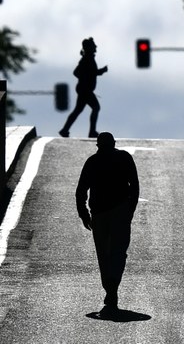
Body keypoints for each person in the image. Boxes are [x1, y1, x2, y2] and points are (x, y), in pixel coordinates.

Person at [75, 132, 139, 317]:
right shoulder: (124, 157)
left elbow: (80, 191)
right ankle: (113, 288)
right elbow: (134, 185)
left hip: (99, 214)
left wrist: (84, 214)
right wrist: (130, 210)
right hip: (120, 211)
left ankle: (110, 290)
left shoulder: (92, 161)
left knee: (103, 254)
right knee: (119, 251)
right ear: (114, 143)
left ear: (98, 145)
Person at [59, 37, 108, 138]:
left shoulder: (89, 58)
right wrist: (97, 72)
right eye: (93, 45)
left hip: (85, 90)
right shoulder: (86, 59)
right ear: (89, 47)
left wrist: (99, 72)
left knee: (78, 110)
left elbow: (91, 72)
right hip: (85, 90)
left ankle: (65, 130)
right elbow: (76, 72)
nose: (96, 46)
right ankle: (92, 132)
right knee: (95, 107)